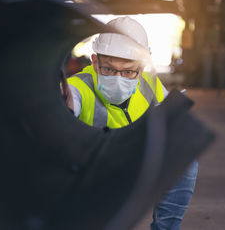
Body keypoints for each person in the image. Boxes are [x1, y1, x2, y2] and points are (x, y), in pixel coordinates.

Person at [65, 16, 198, 229]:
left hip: (132, 165)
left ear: (142, 66)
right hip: (95, 173)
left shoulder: (149, 85)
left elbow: (171, 124)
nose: (118, 78)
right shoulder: (78, 87)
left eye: (128, 71)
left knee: (185, 158)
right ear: (94, 61)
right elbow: (71, 99)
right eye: (108, 69)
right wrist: (65, 104)